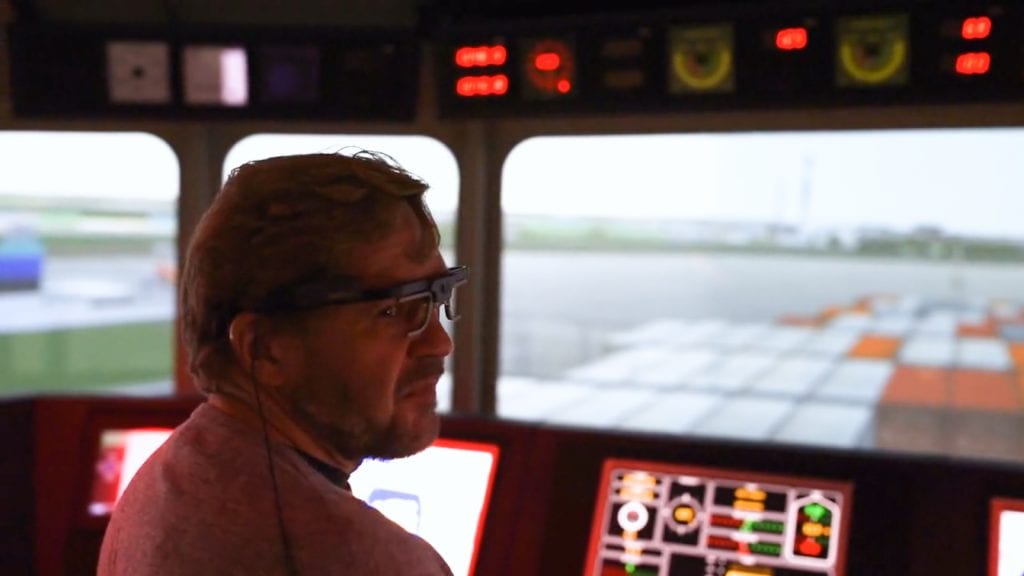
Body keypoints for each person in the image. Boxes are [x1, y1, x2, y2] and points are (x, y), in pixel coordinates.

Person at [98, 151, 465, 576]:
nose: (439, 345)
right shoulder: (363, 559)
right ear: (264, 348)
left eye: (437, 298)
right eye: (393, 311)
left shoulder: (165, 479)